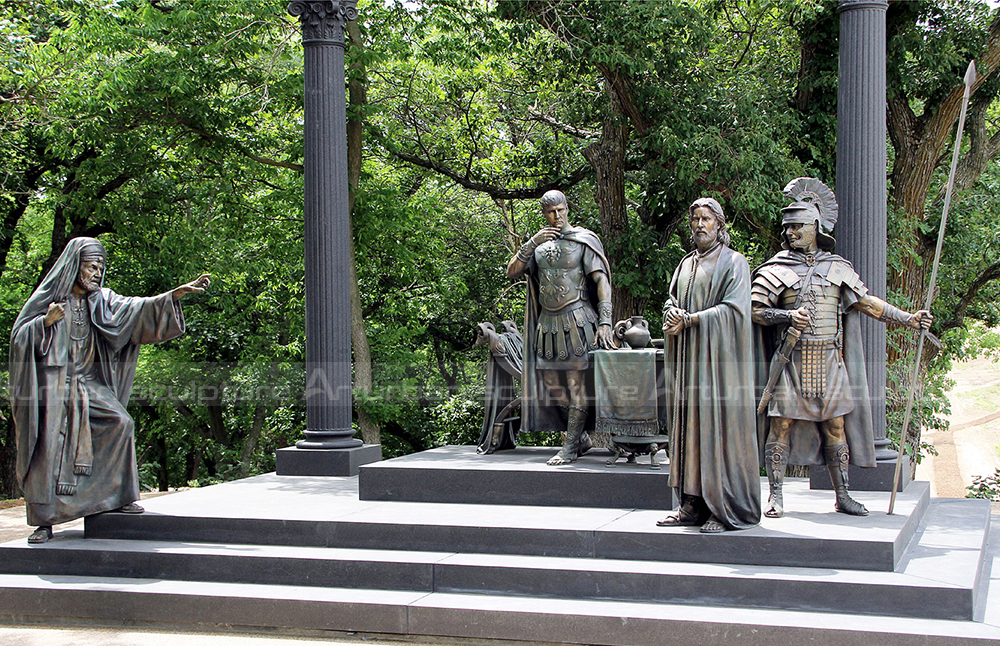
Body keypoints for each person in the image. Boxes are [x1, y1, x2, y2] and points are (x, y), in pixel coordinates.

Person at [9, 237, 210, 544]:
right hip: (54, 388)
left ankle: (115, 496)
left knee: (121, 423)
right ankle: (44, 522)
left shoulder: (102, 301)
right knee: (48, 450)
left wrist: (173, 296)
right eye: (92, 267)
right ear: (75, 267)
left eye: (101, 267)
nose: (97, 273)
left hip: (89, 384)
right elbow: (19, 339)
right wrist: (43, 324)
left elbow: (137, 310)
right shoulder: (48, 300)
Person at [752, 179, 932, 518]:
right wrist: (787, 314)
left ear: (815, 227)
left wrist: (907, 318)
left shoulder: (837, 267)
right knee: (781, 427)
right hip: (792, 362)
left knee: (836, 427)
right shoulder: (775, 269)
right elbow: (754, 311)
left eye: (797, 226)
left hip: (831, 361)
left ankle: (843, 494)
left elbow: (867, 303)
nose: (790, 232)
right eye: (787, 227)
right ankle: (775, 496)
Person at [656, 198, 761, 533]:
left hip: (718, 367)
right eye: (695, 219)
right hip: (688, 364)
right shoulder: (685, 264)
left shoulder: (735, 263)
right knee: (688, 431)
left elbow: (735, 312)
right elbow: (672, 299)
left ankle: (724, 506)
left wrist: (691, 320)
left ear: (720, 224)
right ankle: (692, 503)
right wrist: (671, 313)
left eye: (706, 219)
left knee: (717, 433)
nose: (700, 225)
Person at [507, 190, 613, 465]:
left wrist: (605, 321)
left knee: (576, 385)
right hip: (547, 325)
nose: (556, 216)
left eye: (560, 210)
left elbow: (601, 282)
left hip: (578, 320)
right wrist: (531, 242)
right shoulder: (539, 246)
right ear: (544, 213)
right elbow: (512, 271)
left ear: (567, 209)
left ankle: (569, 447)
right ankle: (581, 439)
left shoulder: (583, 240)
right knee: (553, 384)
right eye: (551, 212)